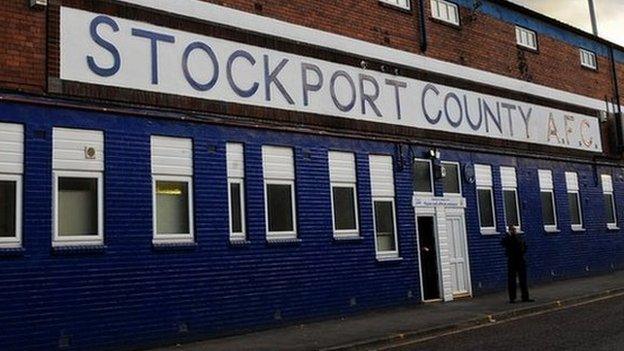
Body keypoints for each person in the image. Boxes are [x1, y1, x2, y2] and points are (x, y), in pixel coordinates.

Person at [501, 226, 534, 303]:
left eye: (514, 230)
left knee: (521, 279)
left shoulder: (518, 238)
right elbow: (504, 243)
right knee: (513, 279)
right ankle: (515, 298)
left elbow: (524, 246)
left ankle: (522, 297)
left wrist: (522, 251)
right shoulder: (508, 238)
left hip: (518, 259)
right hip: (514, 260)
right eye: (512, 230)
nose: (514, 231)